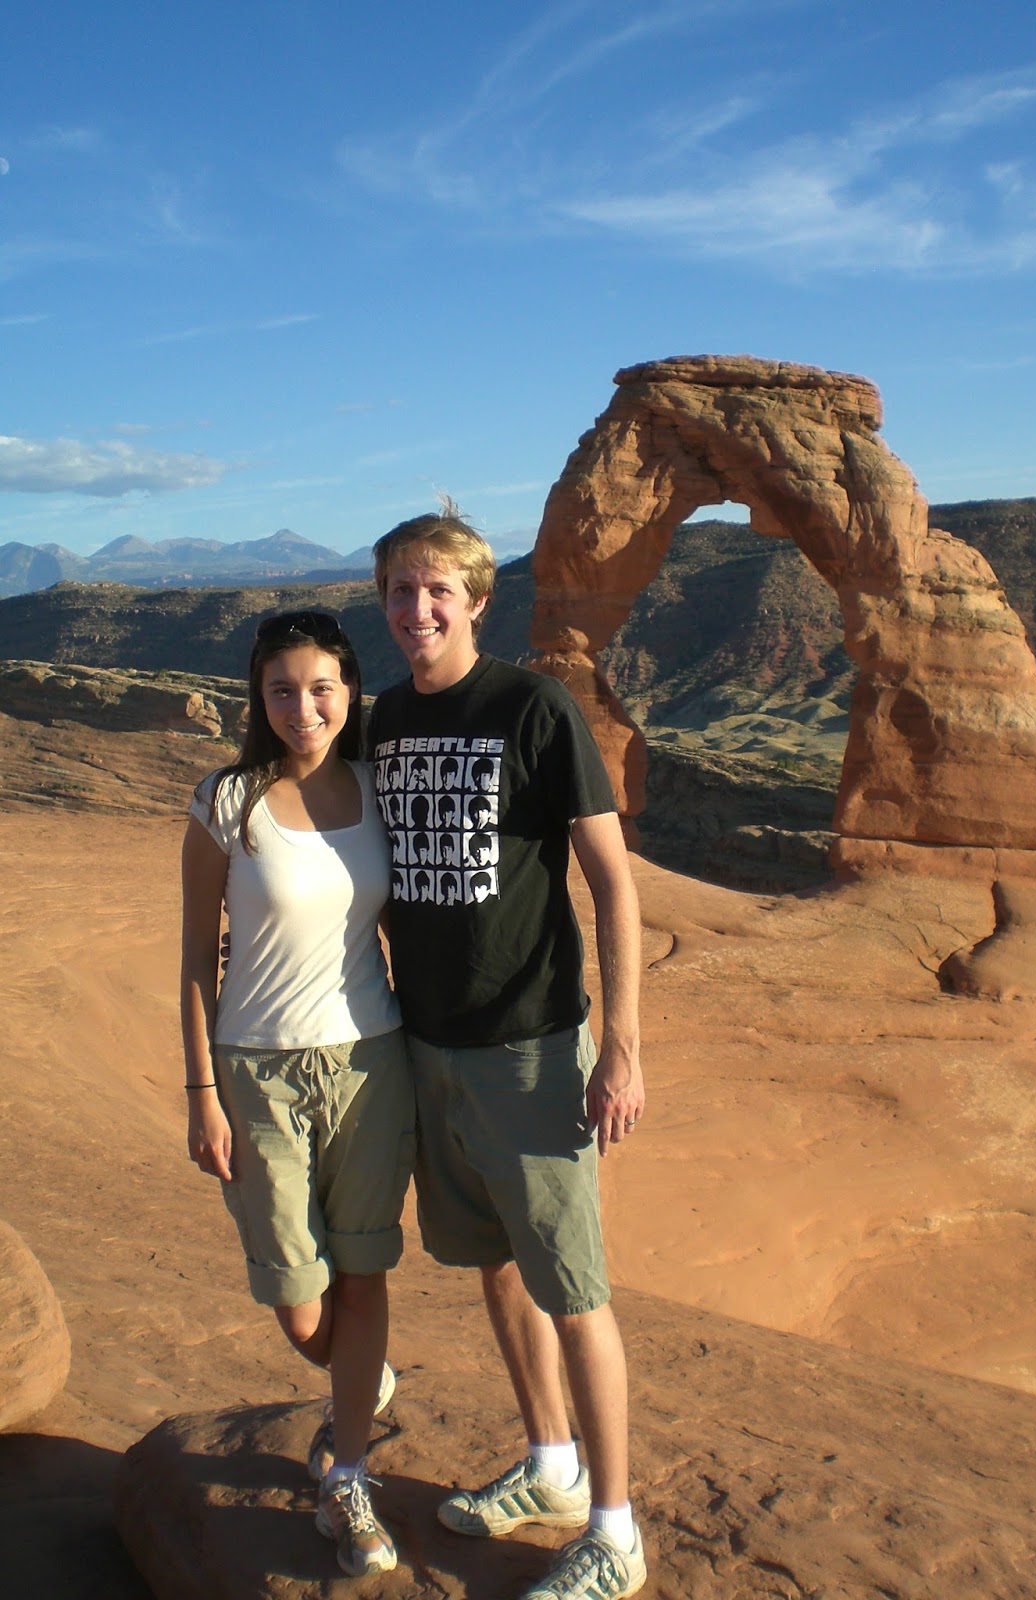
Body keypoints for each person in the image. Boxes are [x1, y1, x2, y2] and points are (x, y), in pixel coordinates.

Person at [368, 511, 647, 1600]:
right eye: (399, 590)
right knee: (492, 1260)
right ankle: (553, 1467)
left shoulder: (535, 706)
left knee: (573, 1286)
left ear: (477, 601)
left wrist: (619, 1046)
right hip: (429, 1044)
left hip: (529, 1049)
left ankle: (616, 1534)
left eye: (438, 590)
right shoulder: (383, 717)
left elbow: (613, 883)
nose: (418, 610)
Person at [180, 609, 414, 1578]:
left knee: (363, 1275)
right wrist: (200, 1089)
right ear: (257, 697)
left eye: (322, 688)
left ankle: (346, 1476)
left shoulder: (380, 791)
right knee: (301, 1301)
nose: (303, 707)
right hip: (255, 1069)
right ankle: (365, 1378)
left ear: (349, 690)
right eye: (282, 689)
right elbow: (197, 954)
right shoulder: (225, 802)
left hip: (370, 1061)